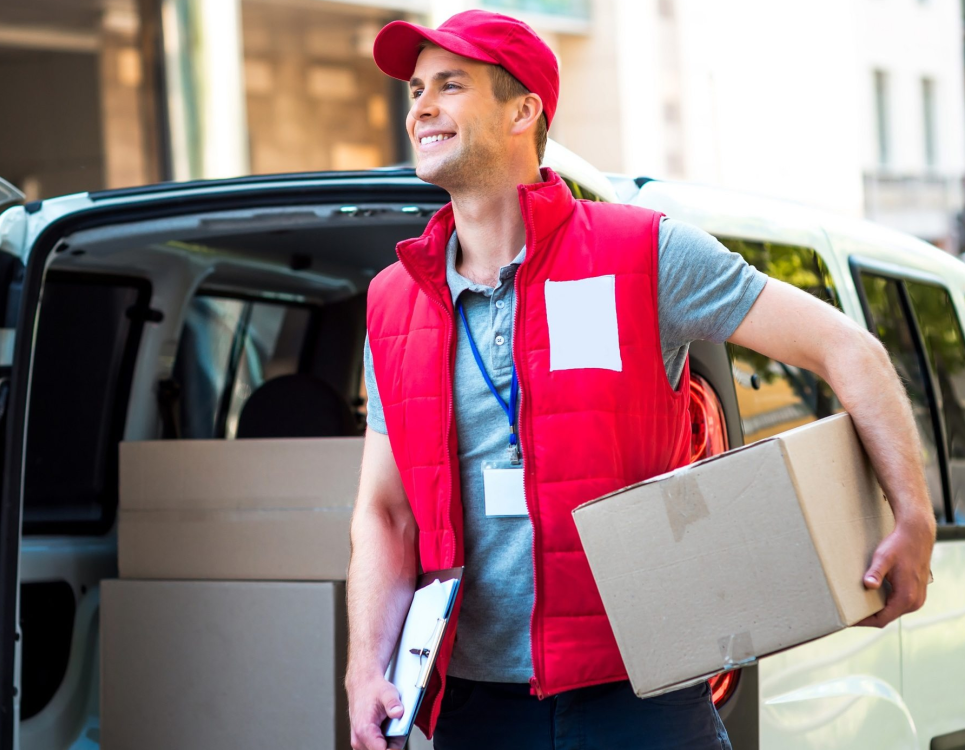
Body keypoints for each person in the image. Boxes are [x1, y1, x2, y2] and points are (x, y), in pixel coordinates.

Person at [345, 10, 935, 750]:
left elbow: (849, 350)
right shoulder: (392, 301)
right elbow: (384, 512)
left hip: (639, 698)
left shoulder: (642, 254)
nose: (420, 107)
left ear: (523, 110)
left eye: (450, 85)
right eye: (414, 89)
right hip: (473, 705)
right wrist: (364, 667)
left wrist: (911, 515)